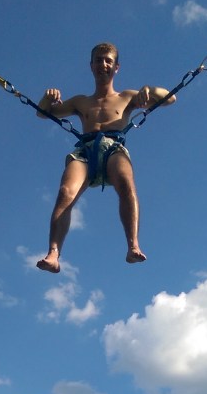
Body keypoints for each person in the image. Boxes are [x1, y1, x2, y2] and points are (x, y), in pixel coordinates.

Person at [36, 42, 175, 273]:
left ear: (116, 67)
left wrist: (149, 90)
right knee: (65, 193)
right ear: (91, 66)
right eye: (99, 60)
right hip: (85, 150)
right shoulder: (81, 101)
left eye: (108, 60)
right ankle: (53, 253)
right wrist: (47, 98)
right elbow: (42, 114)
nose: (103, 64)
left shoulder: (128, 96)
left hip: (114, 147)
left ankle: (133, 245)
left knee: (126, 184)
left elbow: (169, 98)